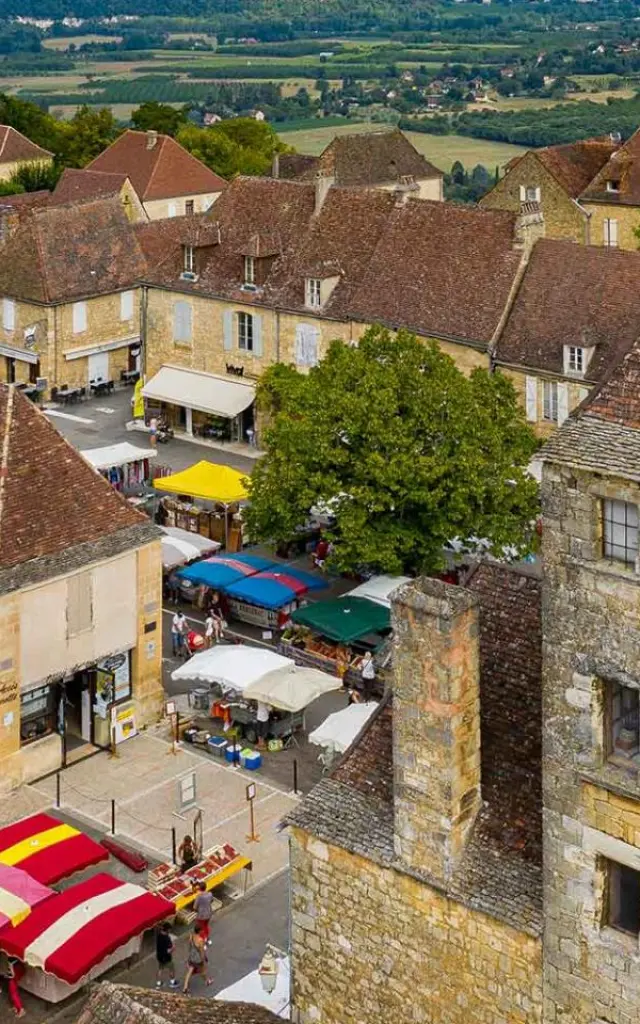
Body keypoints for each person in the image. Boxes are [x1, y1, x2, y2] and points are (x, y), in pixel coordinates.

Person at [182, 923, 212, 994]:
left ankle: (185, 987)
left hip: (192, 957)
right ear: (200, 931)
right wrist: (203, 960)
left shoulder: (191, 936)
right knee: (202, 970)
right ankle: (207, 981)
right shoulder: (200, 940)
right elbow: (201, 952)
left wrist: (189, 956)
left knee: (189, 971)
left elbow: (189, 947)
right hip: (197, 959)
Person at [0, 952, 25, 1018]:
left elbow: (12, 973)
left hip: (13, 978)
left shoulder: (10, 960)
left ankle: (21, 1010)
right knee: (14, 992)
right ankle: (16, 1007)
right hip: (16, 975)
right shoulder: (17, 957)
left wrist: (9, 976)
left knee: (13, 994)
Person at [155, 921, 179, 988]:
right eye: (170, 929)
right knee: (171, 969)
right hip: (166, 957)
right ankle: (173, 982)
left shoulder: (159, 935)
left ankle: (158, 983)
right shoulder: (167, 939)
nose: (170, 931)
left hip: (159, 956)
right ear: (168, 929)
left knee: (160, 969)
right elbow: (168, 950)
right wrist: (173, 947)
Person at [193, 882, 214, 946]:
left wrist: (197, 910)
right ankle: (208, 939)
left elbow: (194, 907)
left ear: (199, 888)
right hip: (209, 913)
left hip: (201, 915)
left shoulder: (199, 897)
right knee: (206, 926)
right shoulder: (210, 894)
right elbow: (211, 900)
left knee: (200, 928)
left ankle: (203, 942)